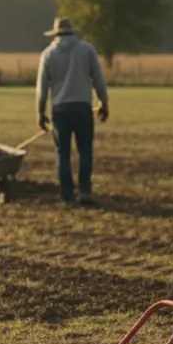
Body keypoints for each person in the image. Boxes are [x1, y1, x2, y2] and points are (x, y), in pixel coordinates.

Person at [35, 18, 110, 206]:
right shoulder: (87, 50)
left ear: (55, 34)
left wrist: (40, 111)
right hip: (83, 107)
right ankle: (85, 191)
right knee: (85, 150)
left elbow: (42, 87)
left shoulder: (48, 54)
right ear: (73, 32)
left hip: (60, 109)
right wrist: (104, 101)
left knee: (63, 153)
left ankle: (67, 194)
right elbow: (98, 79)